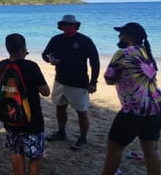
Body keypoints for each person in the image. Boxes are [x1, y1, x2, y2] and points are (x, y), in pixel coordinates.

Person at [101, 22, 161, 175]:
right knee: (151, 150)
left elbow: (109, 79)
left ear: (130, 35)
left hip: (134, 109)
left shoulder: (123, 53)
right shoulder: (146, 51)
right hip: (155, 106)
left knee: (114, 147)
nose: (118, 35)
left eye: (121, 33)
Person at [0, 33, 50, 175]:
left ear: (8, 49)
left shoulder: (1, 65)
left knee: (16, 152)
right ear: (24, 48)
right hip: (32, 120)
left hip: (10, 117)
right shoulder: (31, 66)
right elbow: (46, 92)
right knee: (35, 155)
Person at [41, 14, 100, 150]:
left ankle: (83, 138)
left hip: (78, 82)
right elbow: (45, 54)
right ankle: (61, 132)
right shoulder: (56, 39)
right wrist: (50, 60)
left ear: (76, 26)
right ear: (60, 26)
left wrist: (93, 82)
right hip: (60, 80)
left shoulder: (85, 41)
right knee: (60, 107)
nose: (67, 26)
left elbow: (95, 62)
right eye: (65, 24)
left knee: (81, 112)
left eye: (70, 24)